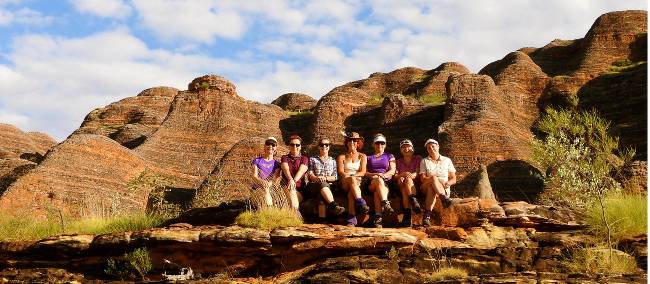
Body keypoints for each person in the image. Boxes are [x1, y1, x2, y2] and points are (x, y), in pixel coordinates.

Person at [419, 138, 457, 226]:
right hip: (426, 184)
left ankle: (426, 217)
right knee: (433, 179)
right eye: (429, 148)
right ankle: (443, 198)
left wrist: (448, 183)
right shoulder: (424, 161)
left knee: (431, 188)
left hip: (443, 187)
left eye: (433, 146)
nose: (431, 149)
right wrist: (436, 179)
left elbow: (453, 178)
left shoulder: (447, 160)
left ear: (438, 147)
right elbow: (423, 178)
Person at [306, 138, 346, 217]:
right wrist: (317, 178)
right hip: (315, 185)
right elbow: (310, 174)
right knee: (321, 184)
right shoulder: (312, 159)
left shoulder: (333, 161)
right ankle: (333, 205)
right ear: (318, 147)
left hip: (330, 186)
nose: (324, 146)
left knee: (321, 195)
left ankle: (322, 219)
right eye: (321, 145)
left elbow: (335, 177)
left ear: (329, 147)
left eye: (326, 145)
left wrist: (325, 178)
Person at [337, 132, 369, 226]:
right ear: (347, 142)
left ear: (358, 143)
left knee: (352, 191)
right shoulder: (341, 157)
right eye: (350, 140)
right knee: (352, 181)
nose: (352, 142)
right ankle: (361, 203)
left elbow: (363, 171)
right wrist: (351, 177)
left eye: (355, 140)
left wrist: (354, 177)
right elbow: (341, 172)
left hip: (358, 181)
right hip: (345, 181)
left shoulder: (362, 156)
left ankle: (352, 218)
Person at [364, 133, 396, 228]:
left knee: (377, 192)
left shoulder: (389, 156)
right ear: (373, 144)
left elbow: (392, 170)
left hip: (385, 182)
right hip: (372, 182)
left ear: (385, 144)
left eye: (382, 143)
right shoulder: (368, 158)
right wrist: (375, 175)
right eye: (377, 143)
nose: (380, 145)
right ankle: (386, 203)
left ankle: (378, 218)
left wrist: (384, 176)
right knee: (378, 181)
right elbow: (364, 172)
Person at [394, 139, 422, 227]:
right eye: (403, 148)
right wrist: (403, 174)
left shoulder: (418, 158)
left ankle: (407, 216)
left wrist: (407, 176)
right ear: (401, 150)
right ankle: (414, 201)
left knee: (407, 181)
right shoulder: (398, 162)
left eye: (408, 147)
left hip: (414, 185)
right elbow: (395, 176)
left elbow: (417, 173)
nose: (406, 149)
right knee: (402, 179)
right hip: (401, 184)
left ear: (412, 148)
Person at [280, 134, 309, 217]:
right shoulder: (284, 157)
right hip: (285, 188)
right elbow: (285, 169)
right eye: (292, 144)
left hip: (300, 190)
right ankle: (296, 214)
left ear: (300, 146)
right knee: (291, 189)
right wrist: (290, 179)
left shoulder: (304, 158)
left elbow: (301, 170)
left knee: (292, 190)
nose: (294, 147)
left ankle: (295, 215)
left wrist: (294, 181)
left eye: (297, 145)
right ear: (289, 146)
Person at [251, 137, 281, 208]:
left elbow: (275, 179)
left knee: (267, 190)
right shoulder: (257, 161)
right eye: (268, 144)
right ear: (264, 146)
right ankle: (269, 211)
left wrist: (269, 184)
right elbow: (254, 176)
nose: (270, 146)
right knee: (265, 190)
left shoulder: (277, 164)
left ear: (275, 148)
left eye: (273, 145)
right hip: (257, 189)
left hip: (270, 189)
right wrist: (262, 182)